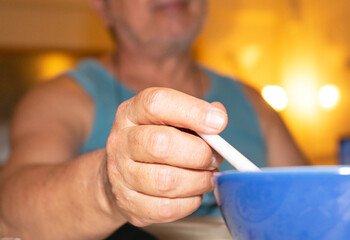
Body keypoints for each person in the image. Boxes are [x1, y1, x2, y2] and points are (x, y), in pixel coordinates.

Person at [0, 0, 308, 239]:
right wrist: (107, 187)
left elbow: (313, 207)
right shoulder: (59, 99)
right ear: (101, 6)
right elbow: (9, 212)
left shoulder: (255, 103)